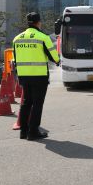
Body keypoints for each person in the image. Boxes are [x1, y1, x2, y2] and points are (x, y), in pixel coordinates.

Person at [13, 12, 60, 141]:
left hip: (23, 76)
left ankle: (23, 131)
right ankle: (33, 131)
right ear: (38, 22)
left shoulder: (17, 38)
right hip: (39, 76)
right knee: (37, 104)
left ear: (27, 23)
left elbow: (15, 59)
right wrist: (58, 60)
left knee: (26, 103)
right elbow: (54, 57)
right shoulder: (43, 37)